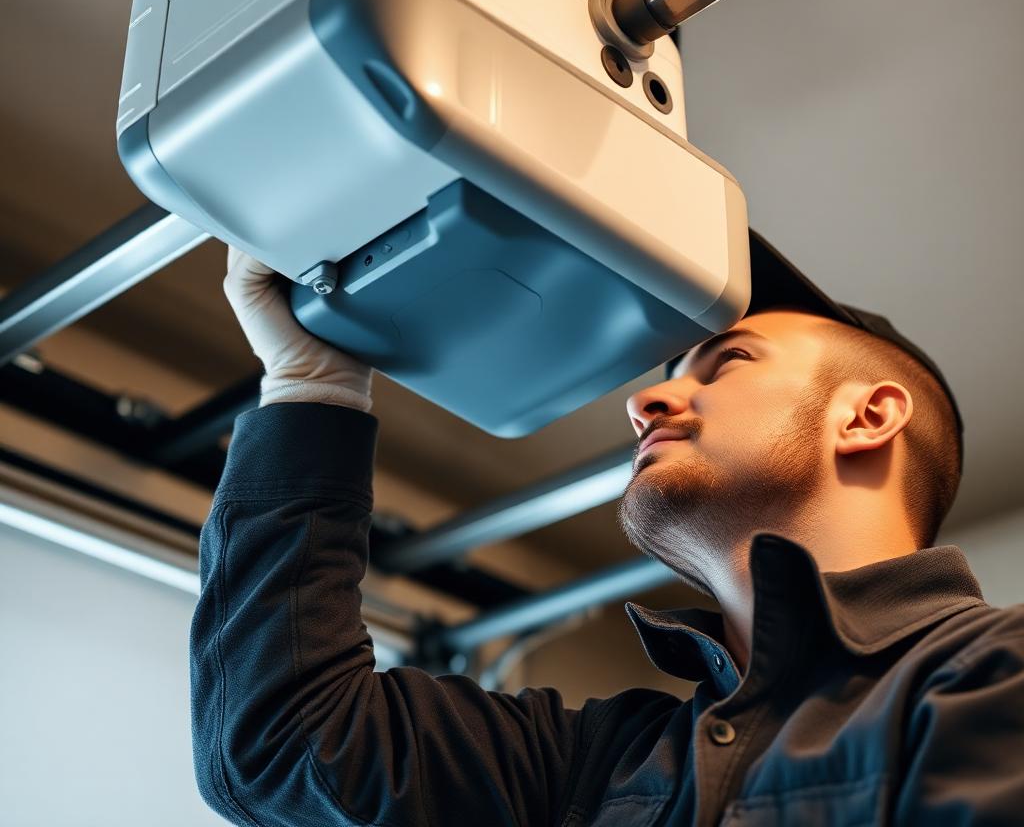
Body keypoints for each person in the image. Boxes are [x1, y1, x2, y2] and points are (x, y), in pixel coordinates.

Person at [190, 238, 1024, 827]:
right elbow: (282, 743)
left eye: (726, 363)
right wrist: (311, 387)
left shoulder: (996, 675)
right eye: (664, 380)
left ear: (869, 416)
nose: (644, 403)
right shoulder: (594, 764)